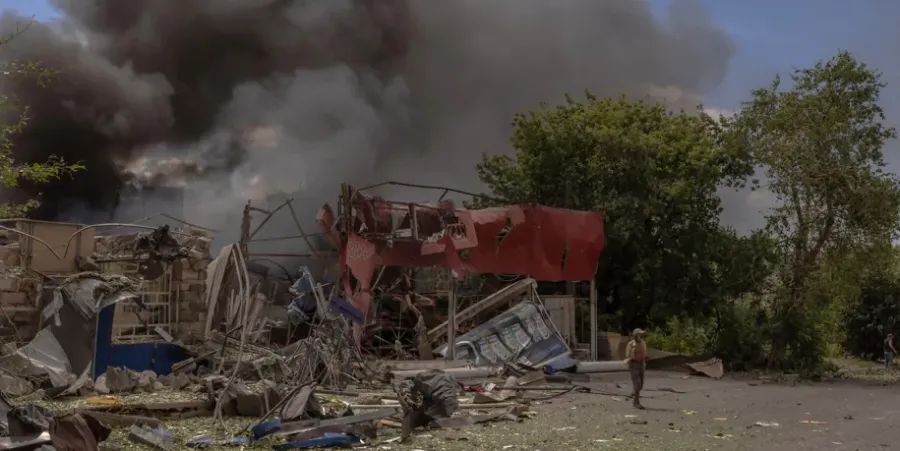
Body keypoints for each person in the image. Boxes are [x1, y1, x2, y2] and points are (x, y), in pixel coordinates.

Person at [624, 328, 647, 409]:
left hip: (641, 364)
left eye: (641, 334)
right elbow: (627, 356)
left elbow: (644, 353)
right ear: (635, 335)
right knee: (637, 383)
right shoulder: (631, 344)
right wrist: (630, 360)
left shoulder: (643, 342)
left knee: (640, 384)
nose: (640, 336)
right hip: (634, 364)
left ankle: (635, 399)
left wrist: (643, 363)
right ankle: (636, 402)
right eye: (639, 334)